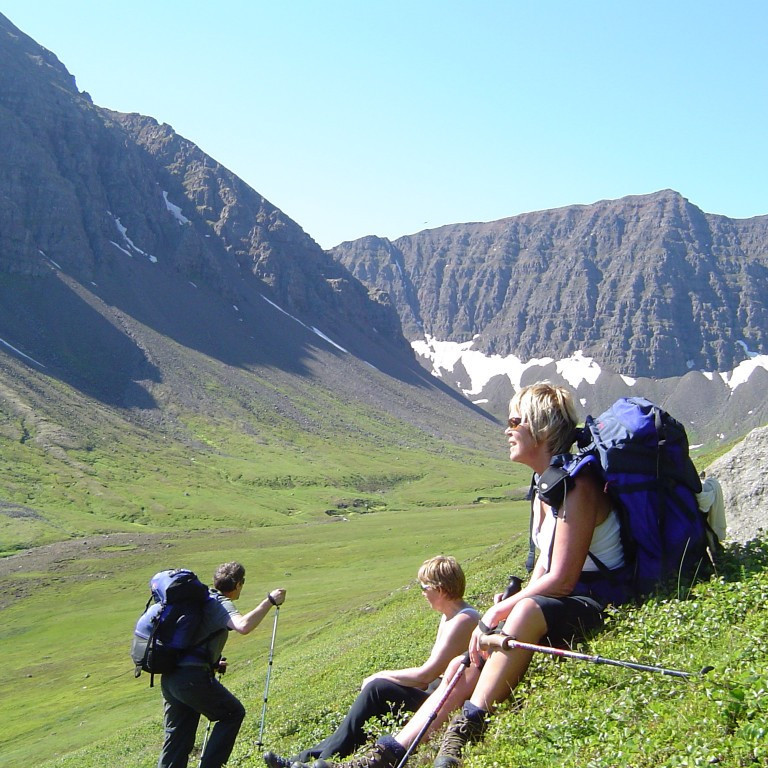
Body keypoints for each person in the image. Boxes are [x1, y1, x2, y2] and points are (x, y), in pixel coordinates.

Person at [300, 382, 629, 768]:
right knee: (462, 663)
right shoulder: (547, 489)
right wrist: (500, 615)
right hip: (556, 605)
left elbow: (561, 580)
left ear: (540, 429)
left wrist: (498, 613)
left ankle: (466, 729)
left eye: (514, 421)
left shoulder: (579, 487)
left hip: (602, 600)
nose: (507, 430)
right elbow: (542, 568)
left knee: (518, 615)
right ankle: (388, 754)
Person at [263, 556, 480, 768]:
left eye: (424, 587)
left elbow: (427, 675)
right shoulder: (451, 616)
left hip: (442, 700)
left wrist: (379, 675)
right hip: (437, 691)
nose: (422, 593)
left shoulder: (464, 619)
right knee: (376, 695)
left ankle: (316, 760)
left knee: (378, 689)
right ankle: (304, 759)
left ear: (440, 589)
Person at [158, 562, 286, 768]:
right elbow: (243, 626)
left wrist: (213, 663)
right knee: (232, 714)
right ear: (237, 584)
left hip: (171, 677)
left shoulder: (200, 600)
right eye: (242, 583)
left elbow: (192, 639)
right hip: (191, 679)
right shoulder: (220, 603)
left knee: (177, 740)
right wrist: (269, 601)